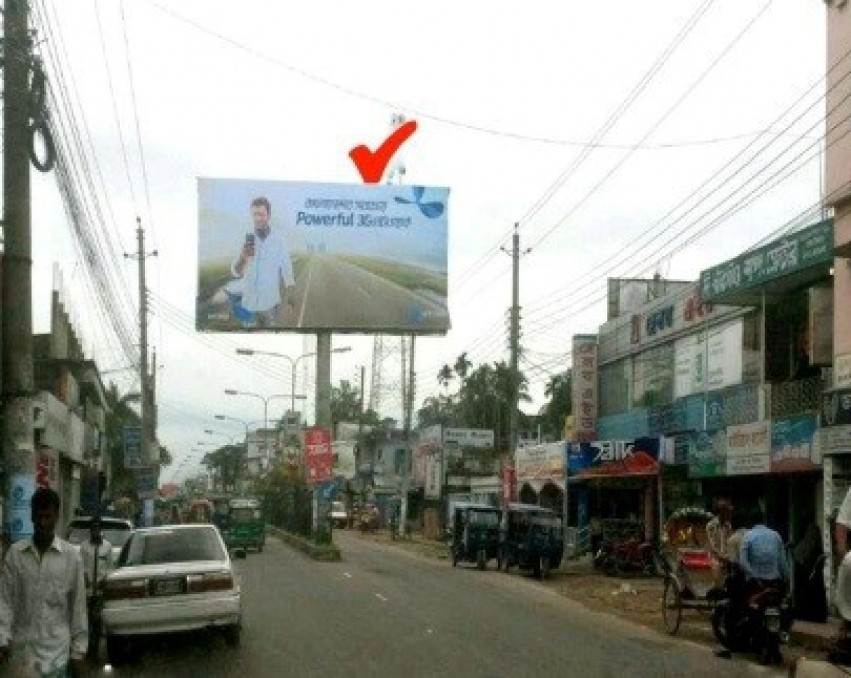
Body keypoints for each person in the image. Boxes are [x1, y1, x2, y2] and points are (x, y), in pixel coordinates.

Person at [0, 488, 88, 677]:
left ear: (56, 517)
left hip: (57, 659)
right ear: (31, 516)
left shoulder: (71, 557)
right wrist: (2, 638)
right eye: (38, 517)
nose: (42, 523)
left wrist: (78, 652)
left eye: (47, 517)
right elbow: (5, 601)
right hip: (21, 659)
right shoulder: (15, 555)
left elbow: (78, 608)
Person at [231, 196, 295, 328]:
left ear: (269, 215)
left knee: (271, 341)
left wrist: (291, 294)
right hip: (248, 305)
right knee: (249, 345)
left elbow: (286, 267)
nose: (258, 218)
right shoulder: (244, 238)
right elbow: (235, 273)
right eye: (255, 214)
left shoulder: (279, 239)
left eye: (261, 214)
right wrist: (243, 259)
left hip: (270, 304)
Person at [80, 517, 112, 660]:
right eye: (93, 529)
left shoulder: (107, 547)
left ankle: (95, 652)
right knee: (86, 622)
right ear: (90, 530)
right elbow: (80, 566)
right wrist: (84, 577)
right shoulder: (84, 546)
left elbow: (110, 567)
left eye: (98, 528)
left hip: (100, 591)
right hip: (86, 591)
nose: (95, 531)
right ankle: (86, 649)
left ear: (101, 530)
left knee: (97, 620)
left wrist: (104, 579)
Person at [739, 507, 789, 594]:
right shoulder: (776, 535)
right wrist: (786, 581)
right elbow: (783, 562)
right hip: (774, 582)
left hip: (756, 585)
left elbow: (743, 562)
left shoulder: (747, 536)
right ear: (764, 520)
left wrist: (753, 576)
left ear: (750, 522)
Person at [707, 499, 733, 586]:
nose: (729, 514)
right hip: (714, 557)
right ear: (721, 511)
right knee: (716, 567)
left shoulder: (728, 525)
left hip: (726, 556)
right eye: (727, 511)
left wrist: (728, 555)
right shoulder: (711, 525)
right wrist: (721, 556)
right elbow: (712, 544)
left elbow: (730, 541)